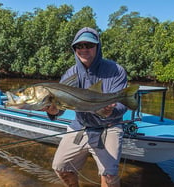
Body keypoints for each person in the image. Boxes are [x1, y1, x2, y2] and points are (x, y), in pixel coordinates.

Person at [44, 27, 128, 187]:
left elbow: (123, 104)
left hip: (108, 127)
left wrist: (111, 110)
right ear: (74, 49)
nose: (84, 49)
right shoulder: (70, 74)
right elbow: (60, 107)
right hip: (81, 126)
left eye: (89, 45)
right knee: (61, 167)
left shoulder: (116, 71)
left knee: (109, 177)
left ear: (98, 47)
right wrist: (54, 111)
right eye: (79, 46)